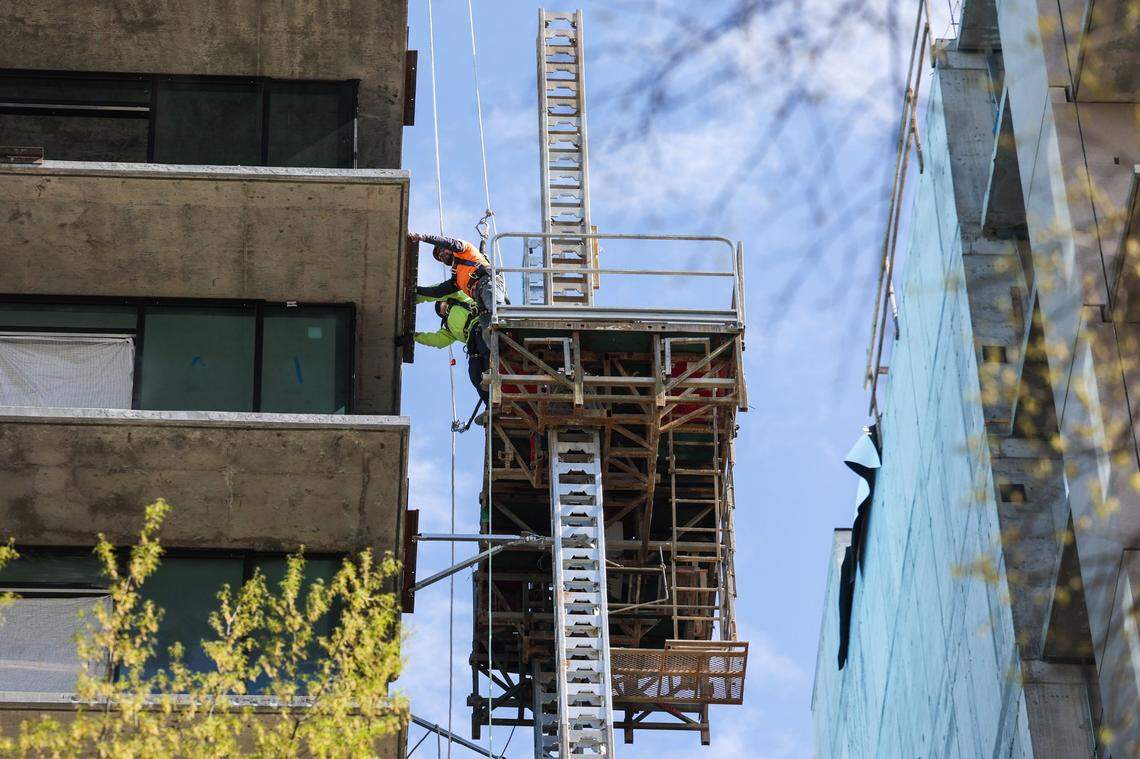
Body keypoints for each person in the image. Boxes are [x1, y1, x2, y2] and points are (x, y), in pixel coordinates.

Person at [409, 233, 507, 339]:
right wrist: (415, 289)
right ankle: (501, 349)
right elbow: (437, 292)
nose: (441, 255)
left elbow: (448, 242)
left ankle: (509, 332)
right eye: (439, 256)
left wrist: (423, 238)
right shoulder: (456, 278)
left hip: (487, 284)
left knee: (497, 314)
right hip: (480, 300)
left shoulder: (464, 249)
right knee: (489, 332)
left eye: (442, 250)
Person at [406, 290, 489, 404]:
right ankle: (489, 404)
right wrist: (414, 337)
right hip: (471, 344)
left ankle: (493, 372)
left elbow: (439, 291)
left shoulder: (460, 299)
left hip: (479, 327)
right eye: (442, 313)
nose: (444, 311)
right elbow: (436, 340)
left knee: (486, 352)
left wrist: (419, 297)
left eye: (443, 306)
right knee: (475, 374)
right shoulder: (448, 329)